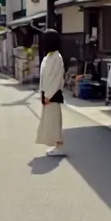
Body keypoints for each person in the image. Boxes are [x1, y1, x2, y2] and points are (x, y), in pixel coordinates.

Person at [36, 29, 66, 157]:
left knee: (54, 121)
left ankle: (59, 146)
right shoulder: (49, 56)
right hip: (47, 94)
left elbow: (57, 78)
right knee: (49, 121)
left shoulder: (57, 58)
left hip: (52, 94)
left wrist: (49, 95)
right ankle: (55, 145)